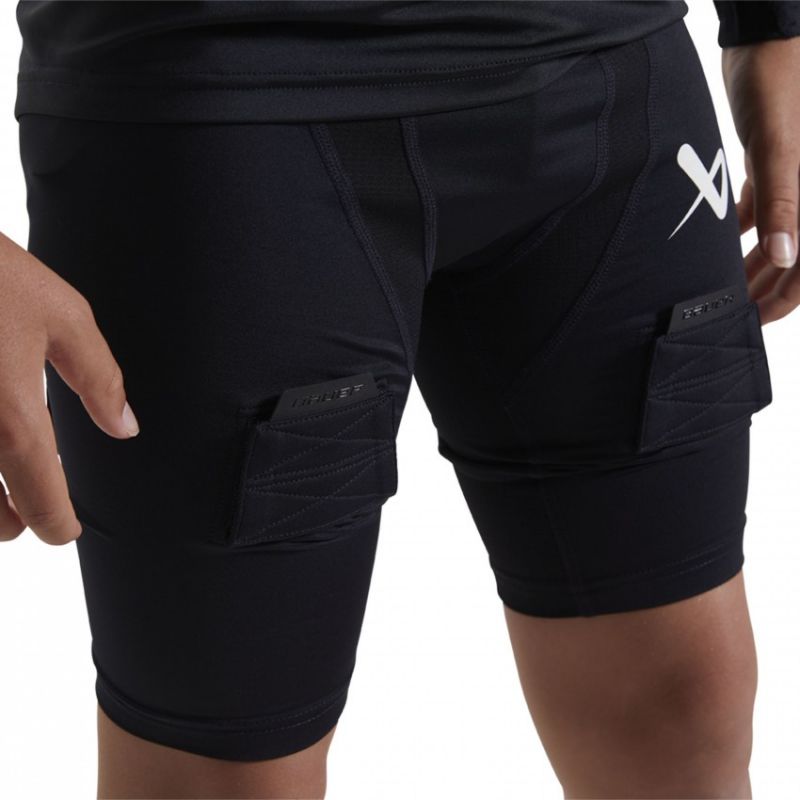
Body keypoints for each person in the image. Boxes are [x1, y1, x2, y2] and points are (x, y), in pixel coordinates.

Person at [2, 1, 799, 797]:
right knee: (225, 773)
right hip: (216, 105)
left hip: (613, 80)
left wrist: (774, 24)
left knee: (686, 712)